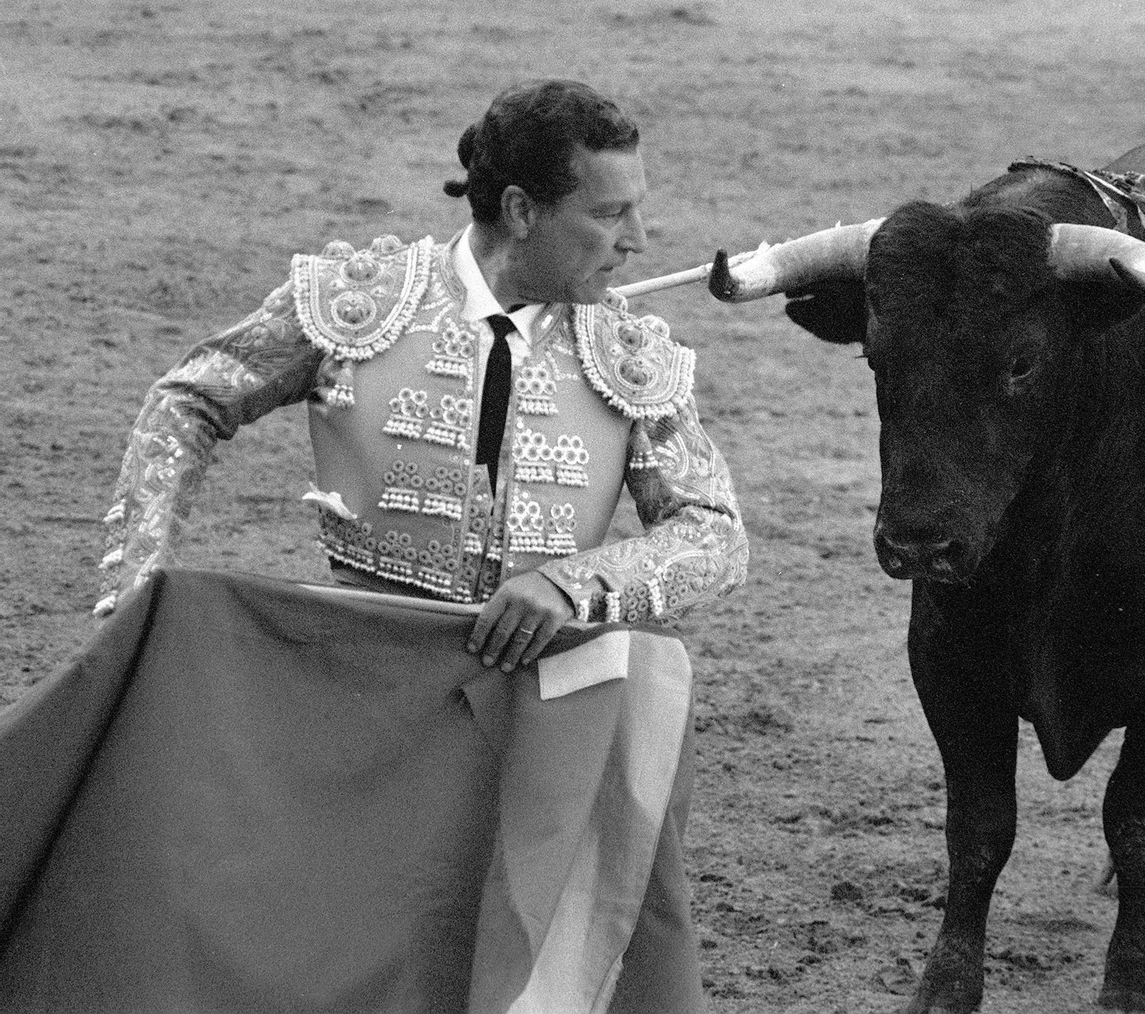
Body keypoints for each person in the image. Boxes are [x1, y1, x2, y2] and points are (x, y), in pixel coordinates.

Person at [93, 79, 747, 1013]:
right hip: (361, 691)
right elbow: (188, 400)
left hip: (537, 714)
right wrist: (134, 587)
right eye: (609, 213)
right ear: (522, 211)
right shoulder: (363, 302)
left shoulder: (627, 351)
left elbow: (715, 536)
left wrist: (579, 582)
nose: (638, 239)